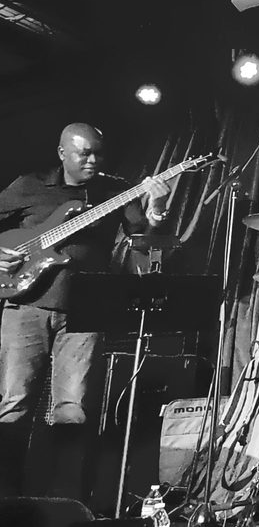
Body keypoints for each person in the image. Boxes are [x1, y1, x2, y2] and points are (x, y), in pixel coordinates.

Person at [0, 123, 170, 501]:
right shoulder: (28, 185)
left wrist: (156, 212)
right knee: (13, 405)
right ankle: (5, 498)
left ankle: (64, 502)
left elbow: (146, 245)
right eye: (84, 153)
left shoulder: (117, 191)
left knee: (72, 410)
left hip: (86, 311)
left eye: (98, 153)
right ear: (63, 153)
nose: (93, 160)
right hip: (25, 305)